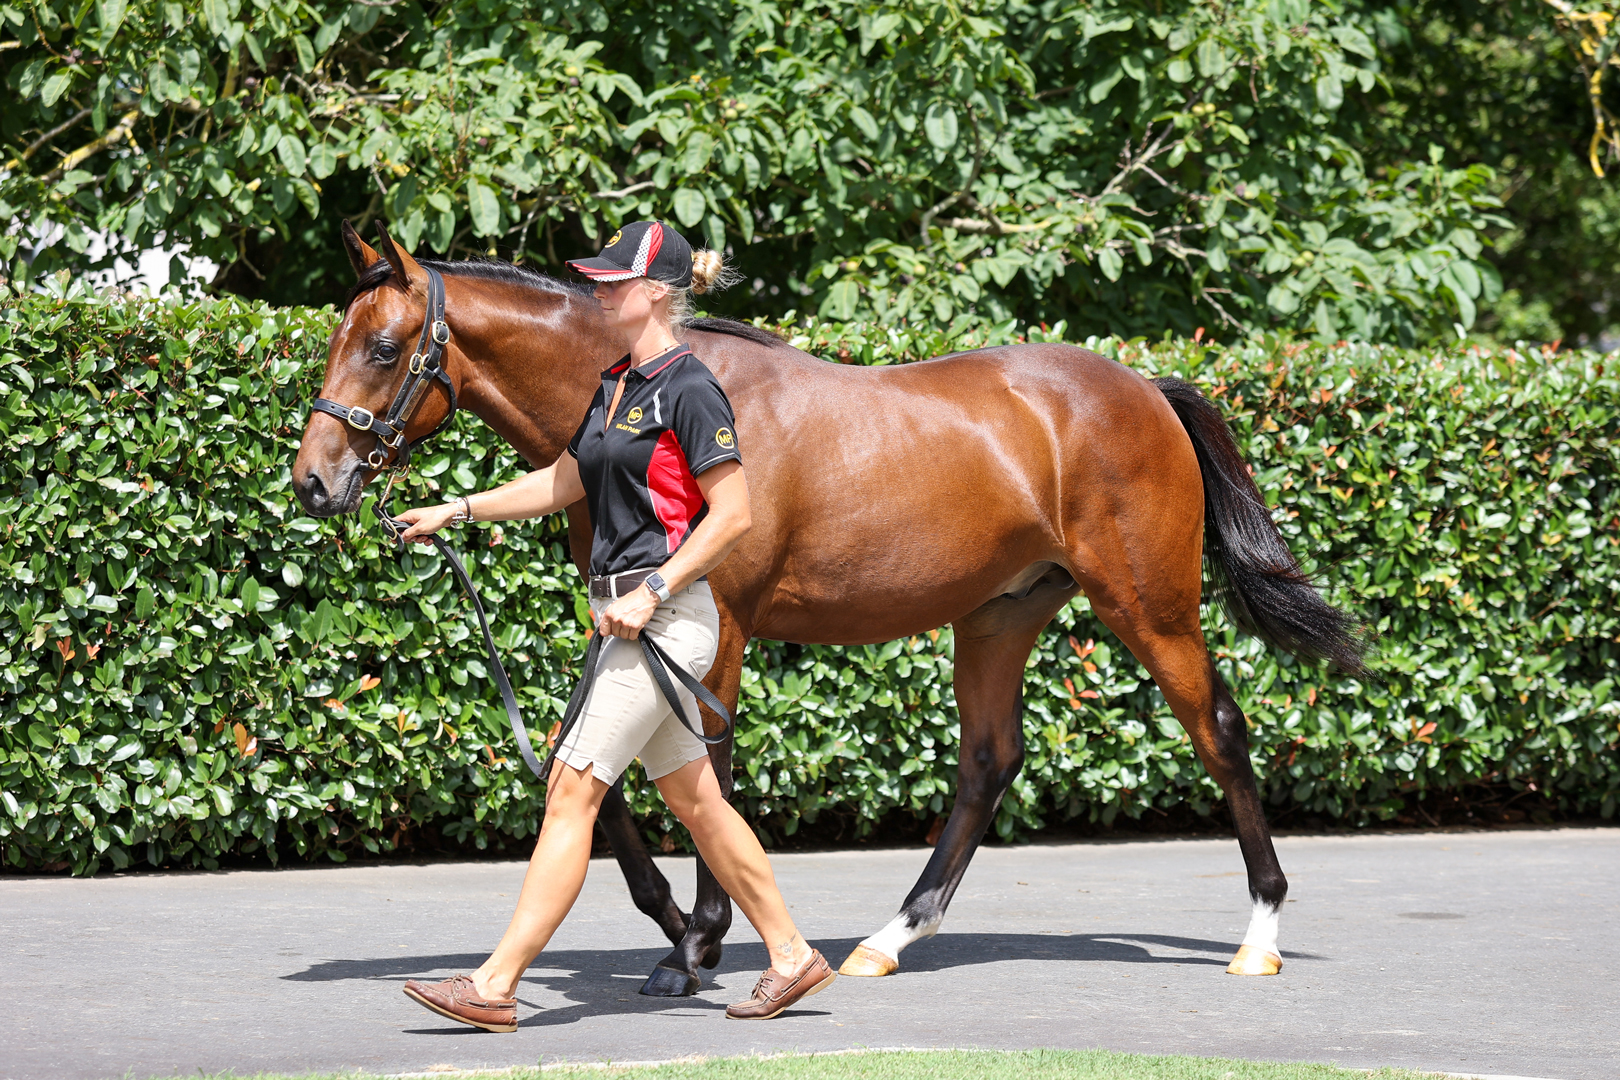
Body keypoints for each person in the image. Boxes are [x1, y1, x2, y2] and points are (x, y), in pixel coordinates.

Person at [391, 221, 835, 1030]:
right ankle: (793, 954)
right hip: (627, 619)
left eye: (612, 281)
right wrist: (456, 509)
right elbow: (564, 480)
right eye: (595, 280)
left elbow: (734, 514)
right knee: (698, 803)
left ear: (655, 292)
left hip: (663, 619)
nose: (597, 292)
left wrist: (654, 589)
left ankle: (495, 984)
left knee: (572, 790)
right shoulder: (617, 384)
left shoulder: (690, 388)